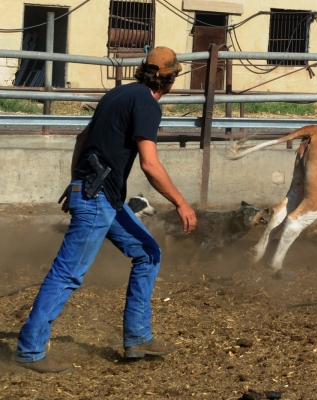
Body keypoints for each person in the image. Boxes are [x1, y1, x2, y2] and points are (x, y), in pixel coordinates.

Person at [15, 46, 197, 374]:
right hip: (99, 199)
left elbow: (81, 139)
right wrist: (181, 203)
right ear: (169, 81)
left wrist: (75, 184)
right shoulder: (146, 104)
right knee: (67, 273)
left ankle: (138, 337)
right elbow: (150, 165)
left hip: (100, 195)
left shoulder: (118, 94)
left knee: (148, 253)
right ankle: (29, 350)